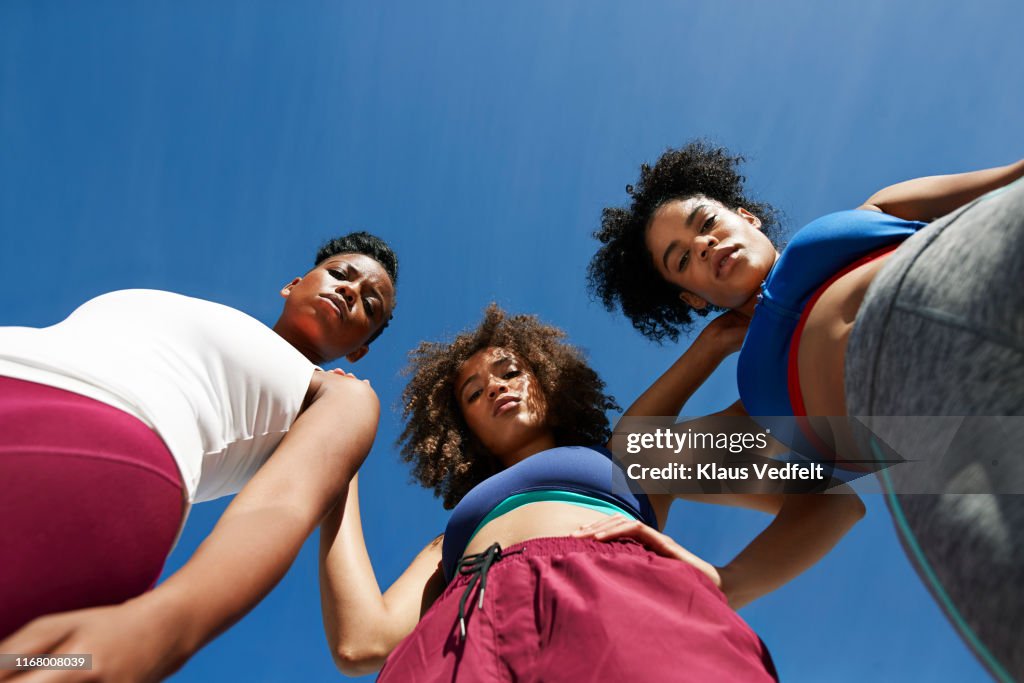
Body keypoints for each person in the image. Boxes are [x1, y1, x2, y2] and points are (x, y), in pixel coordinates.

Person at [588, 141, 1024, 680]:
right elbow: (639, 453)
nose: (702, 245)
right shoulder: (761, 405)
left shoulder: (873, 212)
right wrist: (730, 582)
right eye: (681, 259)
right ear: (692, 299)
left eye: (706, 222)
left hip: (984, 275)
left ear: (745, 217)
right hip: (967, 453)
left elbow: (1011, 178)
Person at [318, 304, 864, 681]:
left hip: (618, 597)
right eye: (474, 394)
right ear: (463, 432)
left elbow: (831, 497)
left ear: (550, 381)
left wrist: (730, 580)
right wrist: (337, 462)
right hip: (461, 630)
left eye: (511, 371)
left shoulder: (633, 460)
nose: (497, 388)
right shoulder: (449, 540)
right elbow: (362, 643)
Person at [0, 232, 398, 682]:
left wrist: (158, 628)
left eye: (370, 304)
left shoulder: (340, 394)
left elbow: (285, 504)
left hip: (95, 446)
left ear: (359, 349)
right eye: (340, 274)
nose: (349, 291)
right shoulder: (199, 312)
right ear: (293, 284)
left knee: (25, 662)